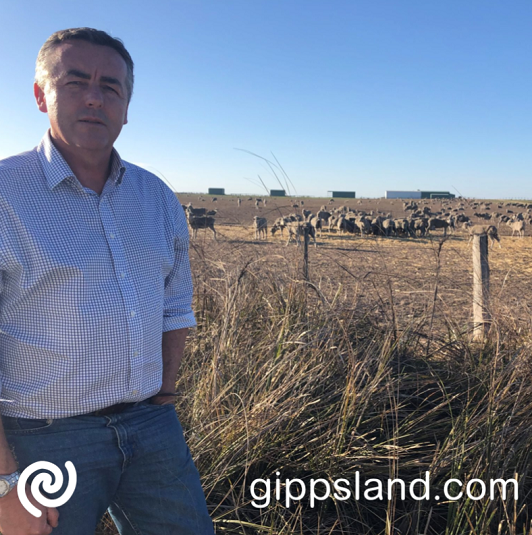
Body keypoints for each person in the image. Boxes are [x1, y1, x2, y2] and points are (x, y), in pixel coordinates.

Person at [0, 28, 214, 534]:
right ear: (39, 94)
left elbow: (174, 304)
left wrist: (163, 395)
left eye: (111, 87)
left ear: (126, 107)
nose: (95, 96)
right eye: (75, 81)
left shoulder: (156, 196)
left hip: (151, 427)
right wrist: (5, 483)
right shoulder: (5, 197)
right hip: (43, 439)